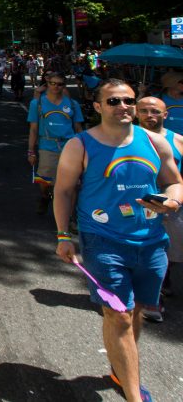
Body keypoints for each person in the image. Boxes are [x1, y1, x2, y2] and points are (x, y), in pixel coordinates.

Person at [53, 79, 183, 402]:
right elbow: (64, 190)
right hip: (102, 241)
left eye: (128, 100)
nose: (123, 106)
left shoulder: (156, 143)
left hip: (151, 242)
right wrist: (62, 235)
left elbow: (174, 182)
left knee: (136, 310)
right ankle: (134, 394)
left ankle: (120, 368)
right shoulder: (79, 145)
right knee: (119, 314)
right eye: (113, 101)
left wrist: (172, 202)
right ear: (97, 107)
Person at [134, 96, 183, 323]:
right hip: (135, 206)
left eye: (155, 111)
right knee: (143, 251)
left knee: (169, 251)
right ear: (136, 113)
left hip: (171, 206)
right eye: (143, 111)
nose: (149, 116)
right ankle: (152, 298)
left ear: (165, 115)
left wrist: (175, 200)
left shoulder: (178, 141)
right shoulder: (123, 139)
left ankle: (163, 279)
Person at [27, 71, 84, 214]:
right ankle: (45, 196)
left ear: (64, 86)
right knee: (45, 181)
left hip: (70, 146)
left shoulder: (72, 104)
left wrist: (84, 151)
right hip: (47, 146)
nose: (56, 87)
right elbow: (33, 129)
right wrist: (31, 151)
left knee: (72, 185)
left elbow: (78, 128)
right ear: (47, 84)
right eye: (52, 83)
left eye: (60, 84)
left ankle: (70, 217)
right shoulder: (37, 103)